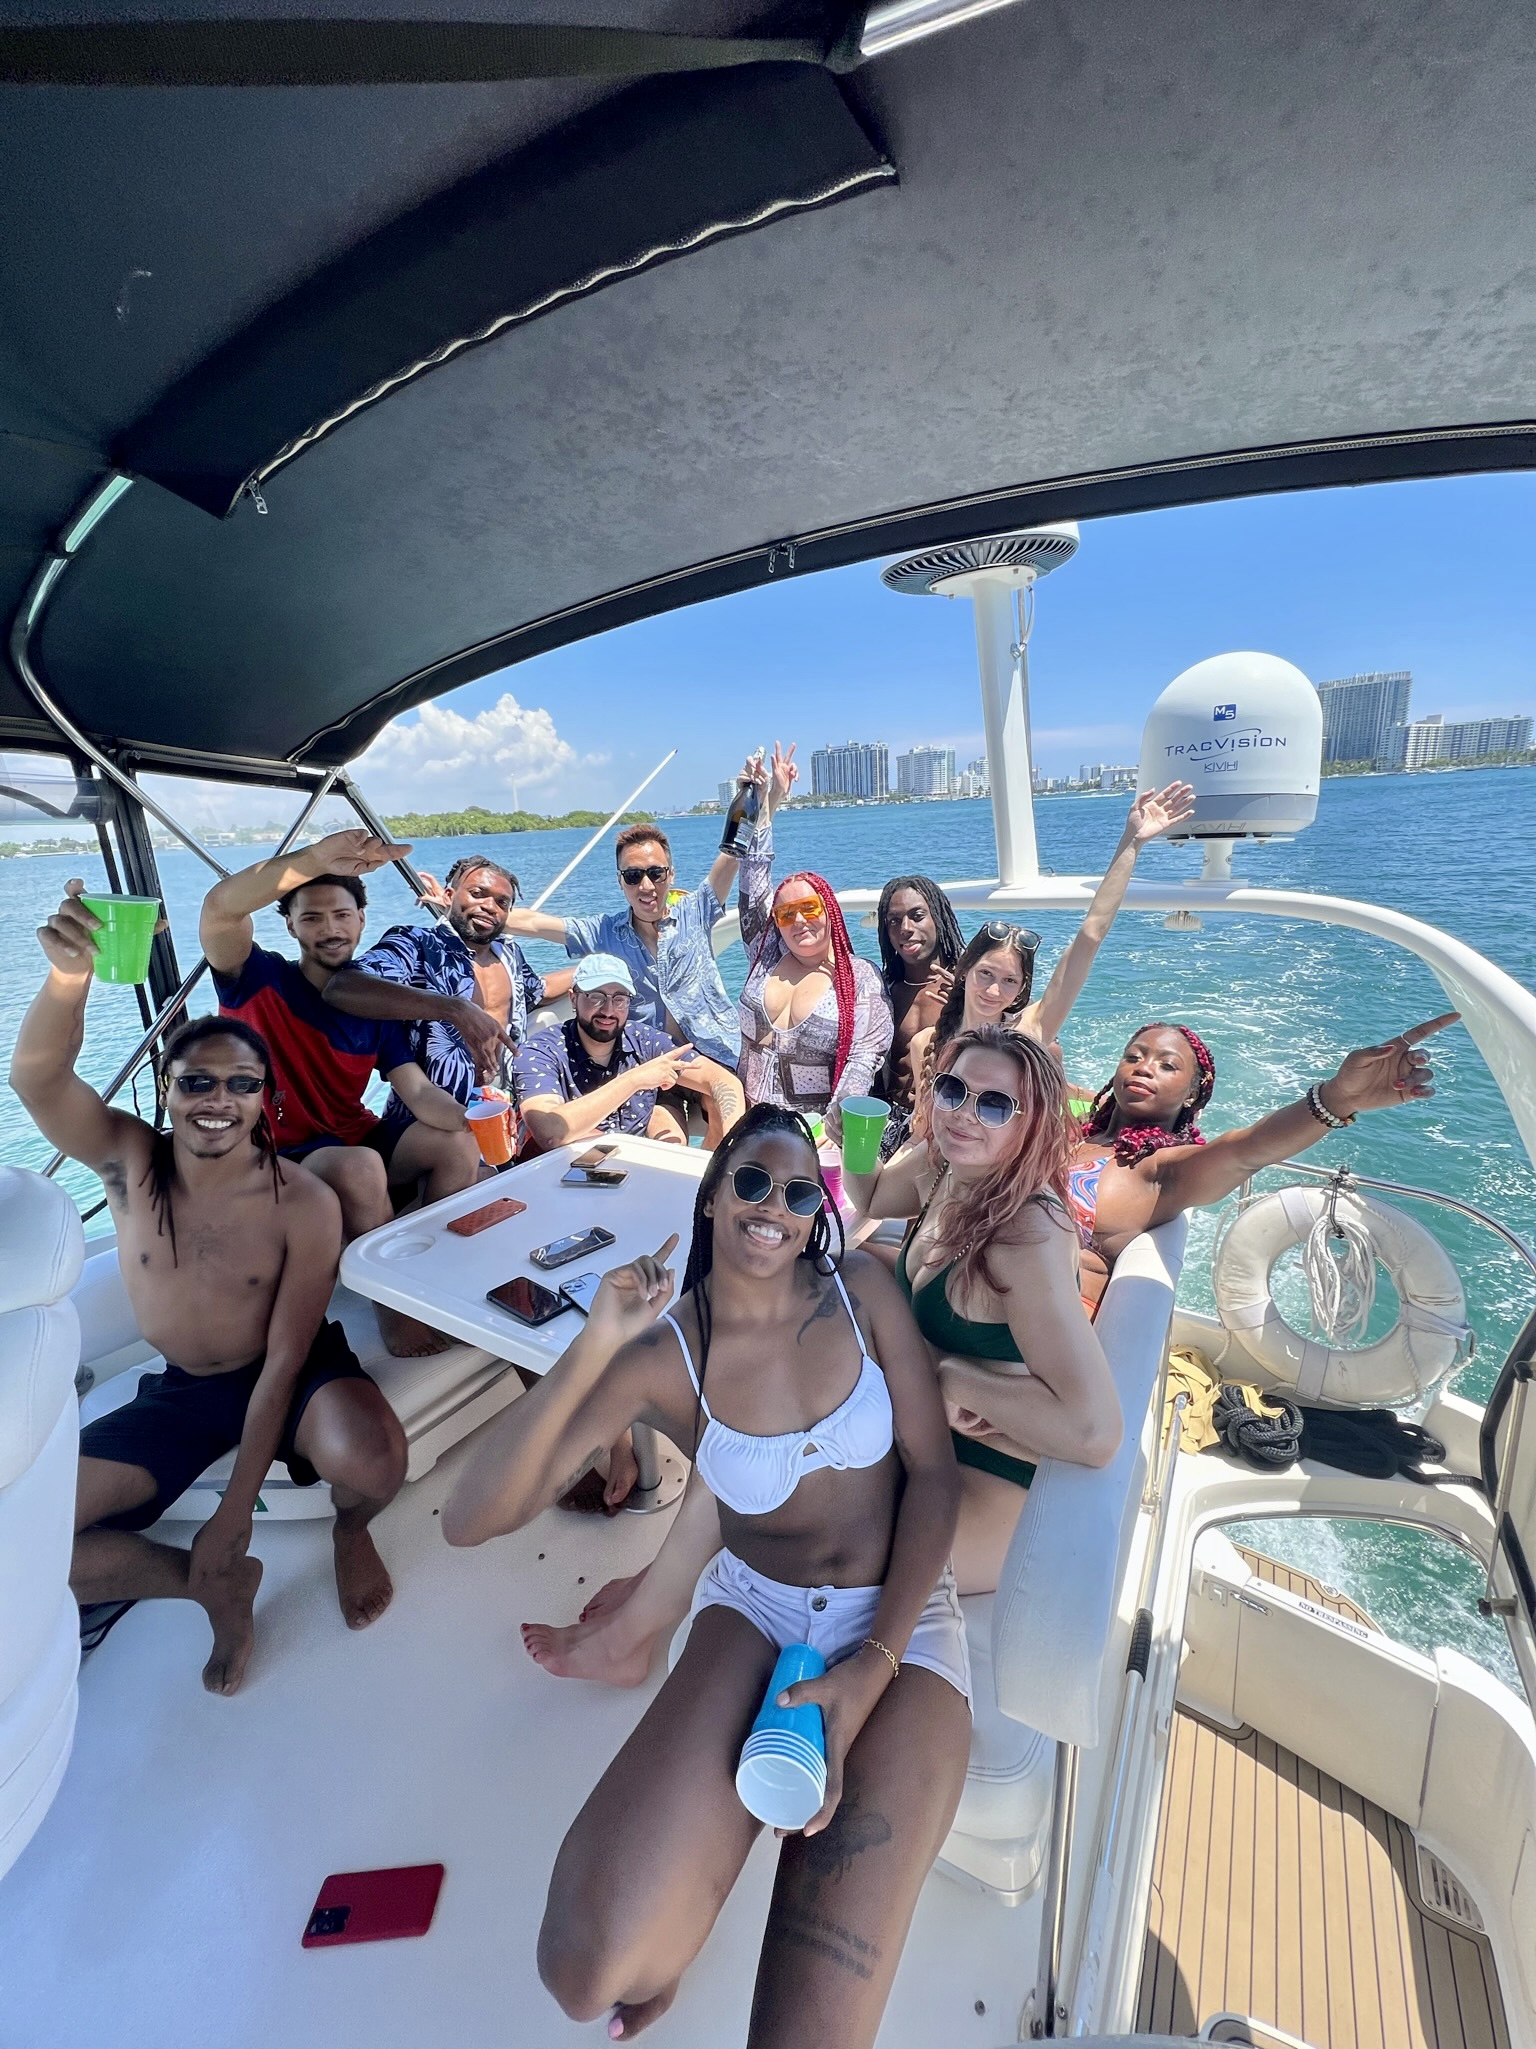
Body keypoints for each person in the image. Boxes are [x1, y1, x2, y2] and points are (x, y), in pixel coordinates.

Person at [442, 1106, 970, 2047]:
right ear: (716, 1192)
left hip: (904, 1619)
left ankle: (708, 1871)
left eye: (800, 1192)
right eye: (753, 1181)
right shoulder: (667, 1355)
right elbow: (469, 1516)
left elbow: (933, 1476)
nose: (775, 1207)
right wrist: (595, 1343)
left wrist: (871, 1669)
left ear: (818, 1211)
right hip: (759, 1610)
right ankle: (681, 1912)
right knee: (581, 1971)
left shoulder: (861, 1290)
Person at [524, 1025, 1112, 1685]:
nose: (964, 1112)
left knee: (781, 1482)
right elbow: (872, 1196)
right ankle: (654, 1597)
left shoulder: (1027, 1235)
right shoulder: (949, 1163)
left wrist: (951, 1376)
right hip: (923, 1430)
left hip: (988, 1483)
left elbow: (1094, 1432)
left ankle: (637, 1628)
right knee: (753, 1435)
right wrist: (855, 1135)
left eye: (995, 1104)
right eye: (953, 1089)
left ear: (1032, 1123)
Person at [10, 884, 408, 1695]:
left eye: (240, 1084)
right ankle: (201, 1583)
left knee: (375, 1462)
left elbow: (286, 1358)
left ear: (267, 1100)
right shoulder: (130, 1164)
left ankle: (348, 1526)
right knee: (20, 1543)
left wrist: (237, 1507)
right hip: (187, 1391)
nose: (218, 1100)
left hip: (291, 1371)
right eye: (196, 1083)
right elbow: (39, 1076)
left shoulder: (303, 1200)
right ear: (166, 1089)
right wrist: (68, 977)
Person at [200, 828, 481, 1355]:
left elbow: (418, 1092)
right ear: (289, 925)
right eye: (311, 918)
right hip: (278, 1155)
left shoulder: (371, 1005)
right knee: (359, 1166)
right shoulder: (257, 979)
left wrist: (472, 1119)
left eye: (341, 915)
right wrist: (312, 859)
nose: (330, 929)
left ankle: (431, 1274)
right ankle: (395, 1310)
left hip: (350, 1137)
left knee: (457, 1144)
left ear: (361, 919)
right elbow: (220, 910)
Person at [1067, 1012, 1460, 1313]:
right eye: (1133, 1056)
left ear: (1192, 1095)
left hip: (1051, 1325)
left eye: (1167, 1065)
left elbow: (1248, 1149)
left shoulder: (1161, 1170)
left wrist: (1339, 1098)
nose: (1144, 1066)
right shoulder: (1073, 1134)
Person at [902, 781, 1196, 1131]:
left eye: (1009, 980)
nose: (994, 991)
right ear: (964, 972)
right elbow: (924, 1134)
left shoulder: (1030, 1031)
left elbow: (1091, 935)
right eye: (986, 974)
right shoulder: (926, 1044)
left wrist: (1131, 842)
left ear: (1021, 988)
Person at [485, 748, 800, 1072]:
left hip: (718, 1054)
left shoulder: (696, 912)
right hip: (654, 1069)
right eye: (633, 876)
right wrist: (474, 913)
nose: (646, 886)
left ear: (670, 875)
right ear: (621, 881)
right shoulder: (604, 932)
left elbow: (736, 849)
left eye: (656, 873)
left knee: (732, 1092)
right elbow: (535, 923)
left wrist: (768, 795)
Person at [323, 853, 575, 1127]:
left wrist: (596, 966)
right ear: (449, 896)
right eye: (478, 894)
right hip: (430, 1120)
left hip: (502, 1106)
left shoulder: (509, 954)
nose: (489, 906)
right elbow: (344, 986)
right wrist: (455, 1009)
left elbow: (538, 991)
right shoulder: (417, 944)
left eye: (502, 902)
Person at [737, 818, 893, 1133]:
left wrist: (835, 1124)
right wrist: (763, 811)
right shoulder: (766, 956)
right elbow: (752, 883)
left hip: (811, 1132)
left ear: (829, 911)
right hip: (746, 1122)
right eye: (786, 914)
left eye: (809, 908)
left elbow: (863, 1060)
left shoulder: (860, 978)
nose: (798, 920)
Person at [514, 953, 746, 1154]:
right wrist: (635, 1080)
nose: (608, 1010)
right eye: (596, 997)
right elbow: (550, 1132)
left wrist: (731, 1151)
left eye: (619, 999)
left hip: (635, 1166)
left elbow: (724, 1082)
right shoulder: (541, 1051)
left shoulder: (646, 1041)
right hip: (566, 1168)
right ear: (573, 998)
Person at [871, 876, 966, 1155]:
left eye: (917, 916)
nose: (905, 929)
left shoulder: (969, 985)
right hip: (890, 1123)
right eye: (894, 921)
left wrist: (969, 1008)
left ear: (938, 917)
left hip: (951, 1123)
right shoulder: (882, 990)